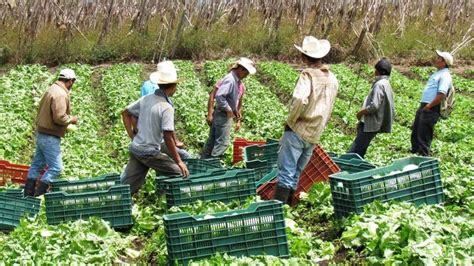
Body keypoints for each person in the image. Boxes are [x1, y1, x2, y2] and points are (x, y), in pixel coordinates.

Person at [273, 36, 339, 204]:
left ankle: (278, 210)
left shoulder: (307, 75)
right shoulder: (332, 78)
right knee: (296, 172)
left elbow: (299, 99)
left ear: (304, 57)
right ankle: (288, 208)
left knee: (286, 171)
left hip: (299, 129)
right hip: (315, 133)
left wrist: (291, 121)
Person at [121, 61, 190, 195]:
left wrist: (132, 135)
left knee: (127, 187)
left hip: (136, 148)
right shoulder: (166, 107)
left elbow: (125, 112)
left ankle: (118, 205)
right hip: (149, 153)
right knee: (180, 173)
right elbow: (168, 137)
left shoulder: (146, 99)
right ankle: (165, 199)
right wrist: (179, 162)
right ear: (173, 86)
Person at [24, 69, 79, 197]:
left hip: (42, 133)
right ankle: (39, 195)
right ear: (70, 80)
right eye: (73, 81)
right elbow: (59, 117)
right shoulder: (60, 94)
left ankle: (28, 194)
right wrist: (72, 119)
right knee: (56, 168)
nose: (73, 84)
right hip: (50, 136)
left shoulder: (52, 89)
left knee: (37, 164)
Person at [201, 57, 256, 159]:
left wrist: (236, 114)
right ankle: (212, 165)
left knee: (212, 141)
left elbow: (236, 101)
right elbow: (218, 96)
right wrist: (229, 109)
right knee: (222, 143)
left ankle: (203, 162)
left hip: (222, 113)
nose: (246, 76)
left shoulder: (236, 81)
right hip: (223, 115)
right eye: (246, 73)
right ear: (241, 69)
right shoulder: (230, 80)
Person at [137, 69, 191, 160]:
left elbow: (127, 113)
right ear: (173, 87)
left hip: (143, 139)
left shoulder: (147, 97)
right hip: (156, 141)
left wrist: (134, 133)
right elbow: (167, 133)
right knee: (185, 156)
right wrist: (178, 160)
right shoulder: (167, 105)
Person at [347, 58, 395, 158]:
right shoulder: (386, 83)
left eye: (375, 69)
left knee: (354, 151)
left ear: (378, 71)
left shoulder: (379, 84)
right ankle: (357, 169)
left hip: (371, 123)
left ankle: (345, 170)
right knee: (361, 150)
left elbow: (374, 106)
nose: (374, 71)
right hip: (374, 123)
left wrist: (361, 113)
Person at [411, 50, 453, 156]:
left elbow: (441, 95)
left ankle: (423, 159)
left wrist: (428, 106)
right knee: (416, 132)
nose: (436, 59)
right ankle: (414, 155)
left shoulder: (445, 76)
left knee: (424, 136)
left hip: (431, 108)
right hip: (425, 106)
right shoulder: (438, 73)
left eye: (439, 58)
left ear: (444, 62)